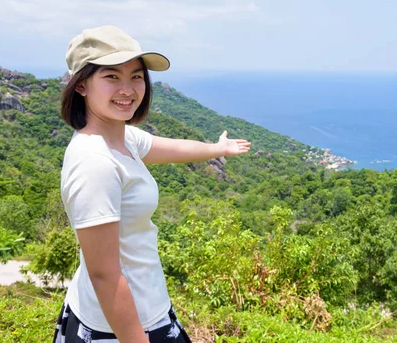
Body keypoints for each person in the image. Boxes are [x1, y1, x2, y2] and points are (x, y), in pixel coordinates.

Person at [53, 25, 251, 342]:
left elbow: (171, 148)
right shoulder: (95, 162)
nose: (128, 88)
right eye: (111, 76)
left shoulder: (122, 138)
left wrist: (218, 149)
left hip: (142, 305)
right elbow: (104, 275)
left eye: (136, 75)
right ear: (81, 86)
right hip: (120, 327)